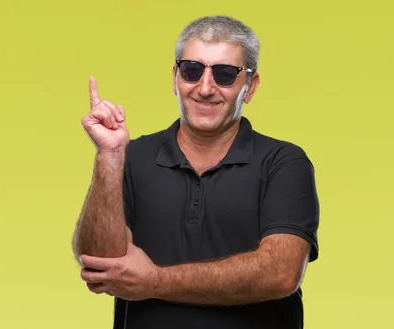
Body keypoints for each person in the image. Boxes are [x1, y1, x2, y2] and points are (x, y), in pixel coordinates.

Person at [71, 15, 320, 329]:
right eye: (191, 70)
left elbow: (280, 273)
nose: (205, 88)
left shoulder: (283, 163)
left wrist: (156, 281)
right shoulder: (131, 157)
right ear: (175, 77)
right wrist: (108, 156)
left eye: (225, 74)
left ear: (250, 86)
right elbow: (101, 263)